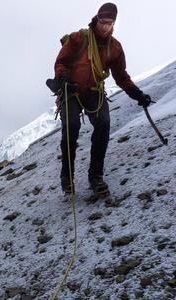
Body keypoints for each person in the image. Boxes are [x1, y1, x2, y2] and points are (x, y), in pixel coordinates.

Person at [53, 3, 152, 196]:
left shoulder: (114, 48)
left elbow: (121, 76)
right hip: (70, 90)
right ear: (96, 19)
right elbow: (61, 62)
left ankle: (95, 176)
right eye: (102, 22)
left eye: (110, 23)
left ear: (114, 23)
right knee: (71, 126)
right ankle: (67, 177)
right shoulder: (78, 38)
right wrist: (63, 77)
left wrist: (137, 94)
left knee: (104, 123)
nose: (105, 26)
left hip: (93, 91)